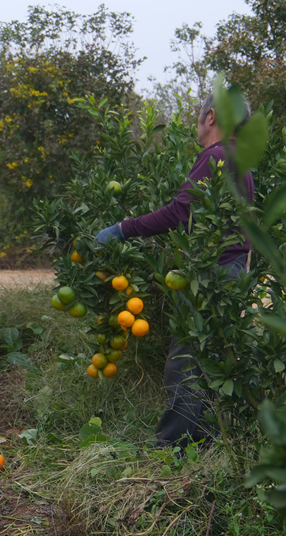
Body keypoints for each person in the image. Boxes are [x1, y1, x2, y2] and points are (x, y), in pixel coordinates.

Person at [96, 92, 254, 448]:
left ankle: (171, 445)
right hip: (232, 273)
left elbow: (179, 212)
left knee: (186, 358)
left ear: (210, 117)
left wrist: (124, 228)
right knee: (213, 358)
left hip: (209, 275)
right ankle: (208, 441)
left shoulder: (214, 157)